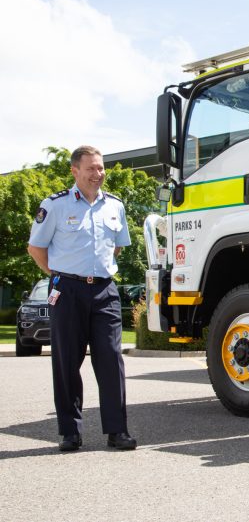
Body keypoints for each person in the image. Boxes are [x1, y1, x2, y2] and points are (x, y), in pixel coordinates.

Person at [27, 145, 137, 452]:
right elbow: (36, 247)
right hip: (68, 291)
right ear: (75, 171)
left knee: (111, 360)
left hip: (104, 291)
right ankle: (70, 433)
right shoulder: (55, 205)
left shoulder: (115, 206)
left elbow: (116, 247)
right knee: (66, 362)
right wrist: (60, 274)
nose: (97, 174)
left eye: (100, 168)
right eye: (90, 169)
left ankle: (117, 432)